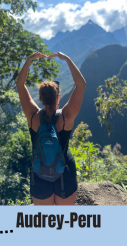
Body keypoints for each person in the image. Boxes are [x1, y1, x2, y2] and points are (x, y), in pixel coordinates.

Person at [16, 51, 86, 205]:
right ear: (58, 97)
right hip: (65, 173)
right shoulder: (66, 115)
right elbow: (81, 84)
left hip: (39, 174)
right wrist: (67, 58)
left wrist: (29, 60)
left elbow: (19, 84)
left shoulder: (33, 116)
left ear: (40, 98)